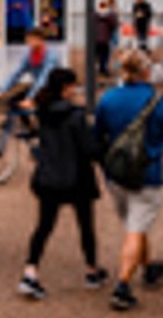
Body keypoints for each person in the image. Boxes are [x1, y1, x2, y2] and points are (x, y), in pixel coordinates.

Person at [94, 51, 163, 312]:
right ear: (146, 72)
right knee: (135, 229)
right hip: (147, 174)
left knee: (134, 224)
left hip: (116, 174)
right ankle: (123, 285)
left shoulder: (107, 99)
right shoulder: (159, 103)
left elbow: (97, 137)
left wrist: (105, 166)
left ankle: (149, 266)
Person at [17, 68, 108, 300]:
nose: (76, 90)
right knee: (85, 225)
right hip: (77, 178)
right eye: (73, 86)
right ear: (66, 88)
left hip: (48, 176)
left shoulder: (43, 111)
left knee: (44, 227)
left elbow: (33, 135)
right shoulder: (76, 116)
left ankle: (30, 271)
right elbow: (89, 149)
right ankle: (91, 270)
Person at [0, 27, 59, 114]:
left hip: (53, 90)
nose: (29, 44)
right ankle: (30, 126)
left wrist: (30, 98)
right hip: (39, 90)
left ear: (41, 40)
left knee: (37, 107)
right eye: (27, 41)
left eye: (31, 40)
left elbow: (43, 79)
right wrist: (0, 91)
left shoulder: (51, 55)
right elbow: (16, 73)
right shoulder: (29, 54)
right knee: (12, 102)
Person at [93, 0, 117, 78]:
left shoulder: (95, 14)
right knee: (105, 54)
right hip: (105, 37)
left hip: (96, 37)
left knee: (97, 54)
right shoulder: (110, 15)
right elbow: (113, 25)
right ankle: (103, 69)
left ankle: (97, 68)